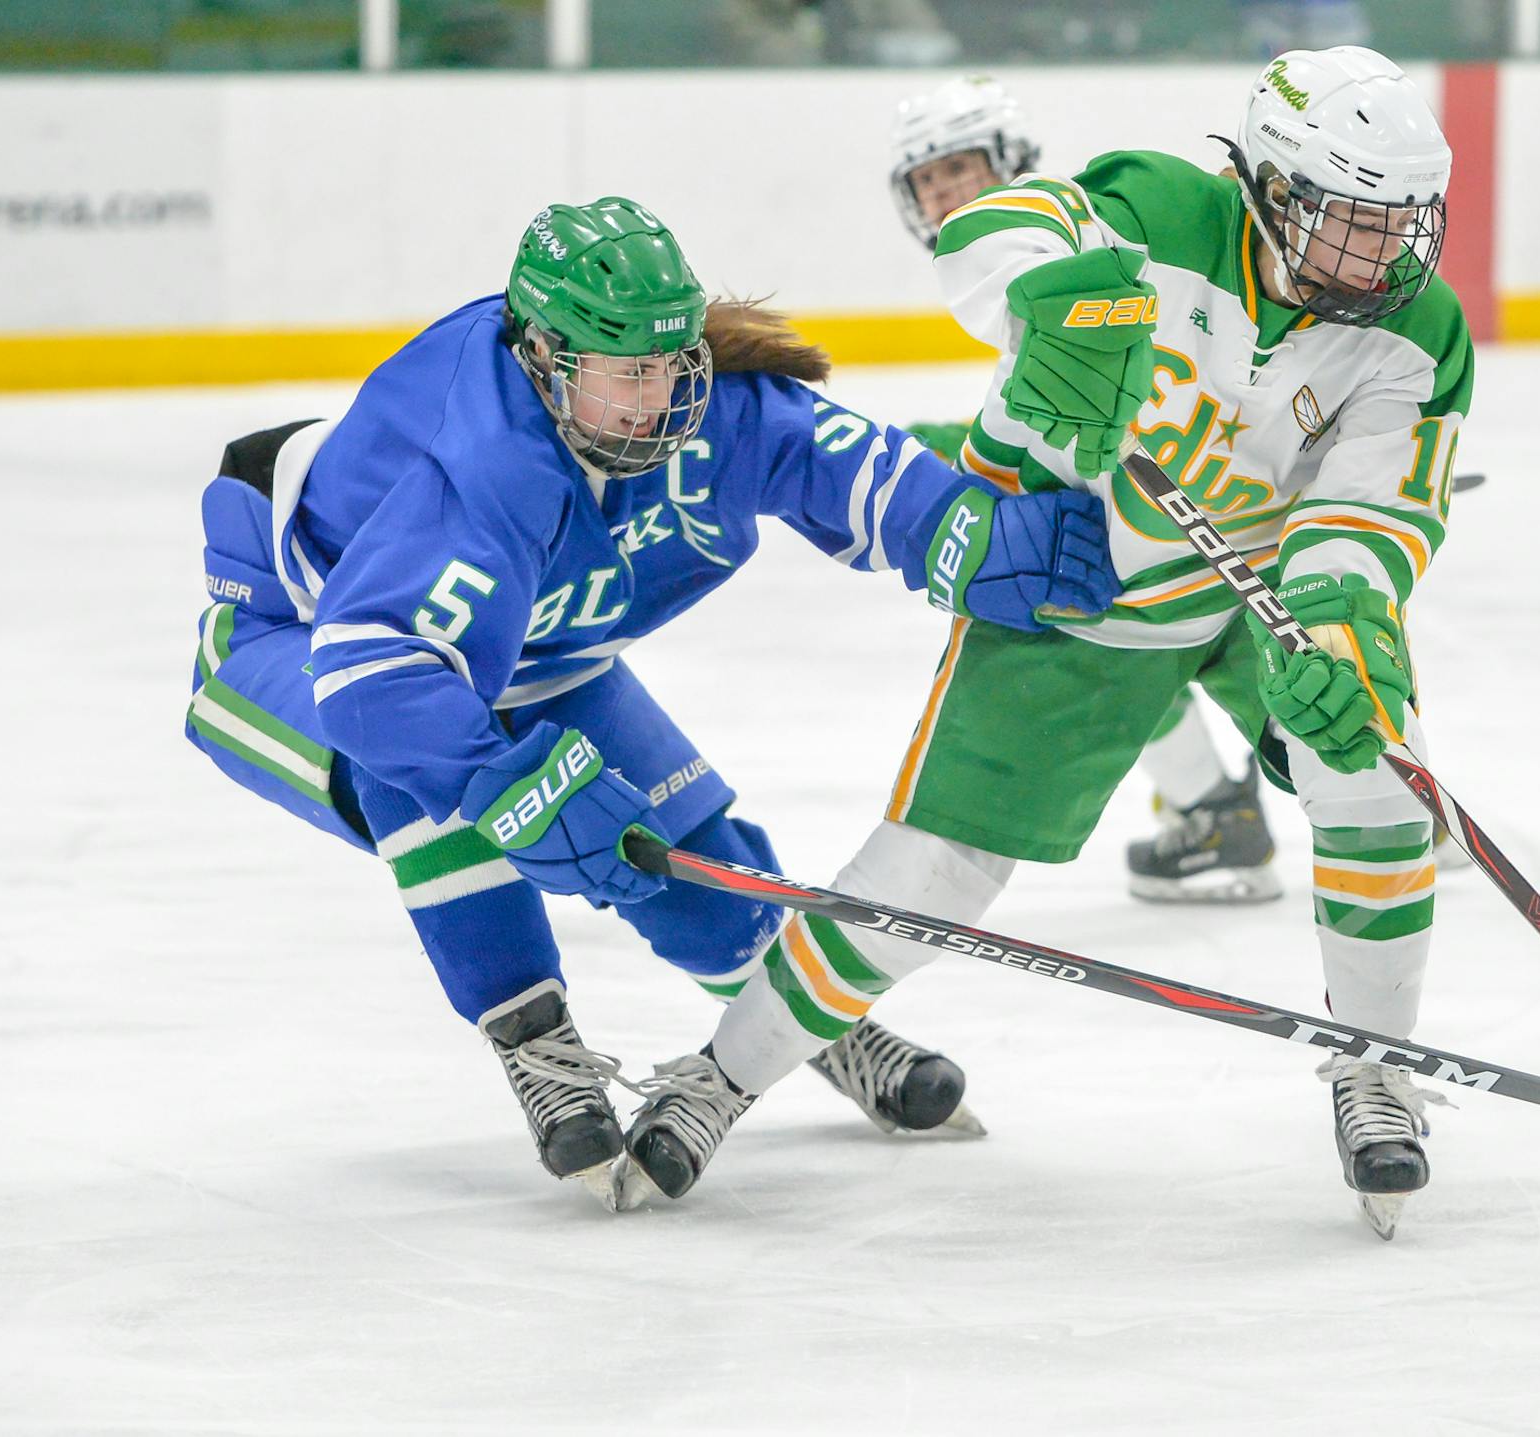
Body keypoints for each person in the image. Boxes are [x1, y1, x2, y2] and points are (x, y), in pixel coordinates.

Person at [628, 48, 1472, 1240]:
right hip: (1082, 572)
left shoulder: (1414, 330)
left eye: (1405, 225)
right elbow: (998, 232)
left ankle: (1377, 1068)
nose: (1390, 257)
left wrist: (1337, 625)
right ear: (1276, 190)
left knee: (1376, 772)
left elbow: (1374, 506)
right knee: (934, 875)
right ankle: (717, 1077)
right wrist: (1067, 299)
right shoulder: (1161, 207)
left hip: (1266, 584)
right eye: (1357, 224)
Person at [182, 197, 1120, 1207]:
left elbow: (841, 465)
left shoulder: (700, 409)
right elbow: (380, 681)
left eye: (671, 363)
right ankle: (536, 1044)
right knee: (431, 785)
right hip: (299, 644)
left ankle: (813, 1025)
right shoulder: (478, 463)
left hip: (535, 657)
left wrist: (966, 537)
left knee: (690, 850)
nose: (656, 399)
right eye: (625, 374)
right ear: (544, 357)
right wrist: (507, 780)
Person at [888, 73, 1282, 906]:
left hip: (1208, 511)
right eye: (928, 180)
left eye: (959, 168)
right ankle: (1228, 808)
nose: (944, 192)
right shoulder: (1006, 264)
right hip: (1170, 517)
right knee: (1116, 622)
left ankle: (1384, 813)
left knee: (1235, 647)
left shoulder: (1086, 240)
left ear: (1011, 156)